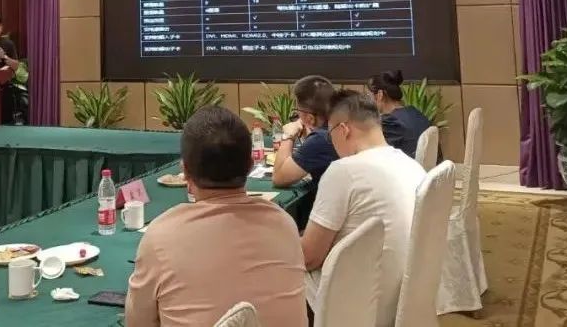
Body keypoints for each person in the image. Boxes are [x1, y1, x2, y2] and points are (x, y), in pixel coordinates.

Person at [126, 106, 307, 327]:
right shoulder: (284, 224)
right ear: (251, 165)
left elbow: (137, 322)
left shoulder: (160, 236)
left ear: (185, 172)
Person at [300, 89, 426, 327]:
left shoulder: (343, 171)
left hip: (358, 305)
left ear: (343, 130)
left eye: (330, 135)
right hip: (403, 301)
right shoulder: (412, 165)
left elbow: (309, 258)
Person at [271, 75, 337, 188]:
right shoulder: (340, 126)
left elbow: (278, 178)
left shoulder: (320, 139)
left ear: (310, 118)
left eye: (298, 111)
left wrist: (288, 135)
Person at [367, 70, 433, 159]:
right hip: (423, 167)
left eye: (369, 96)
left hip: (406, 167)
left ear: (380, 95)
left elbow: (377, 155)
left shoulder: (389, 121)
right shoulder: (415, 112)